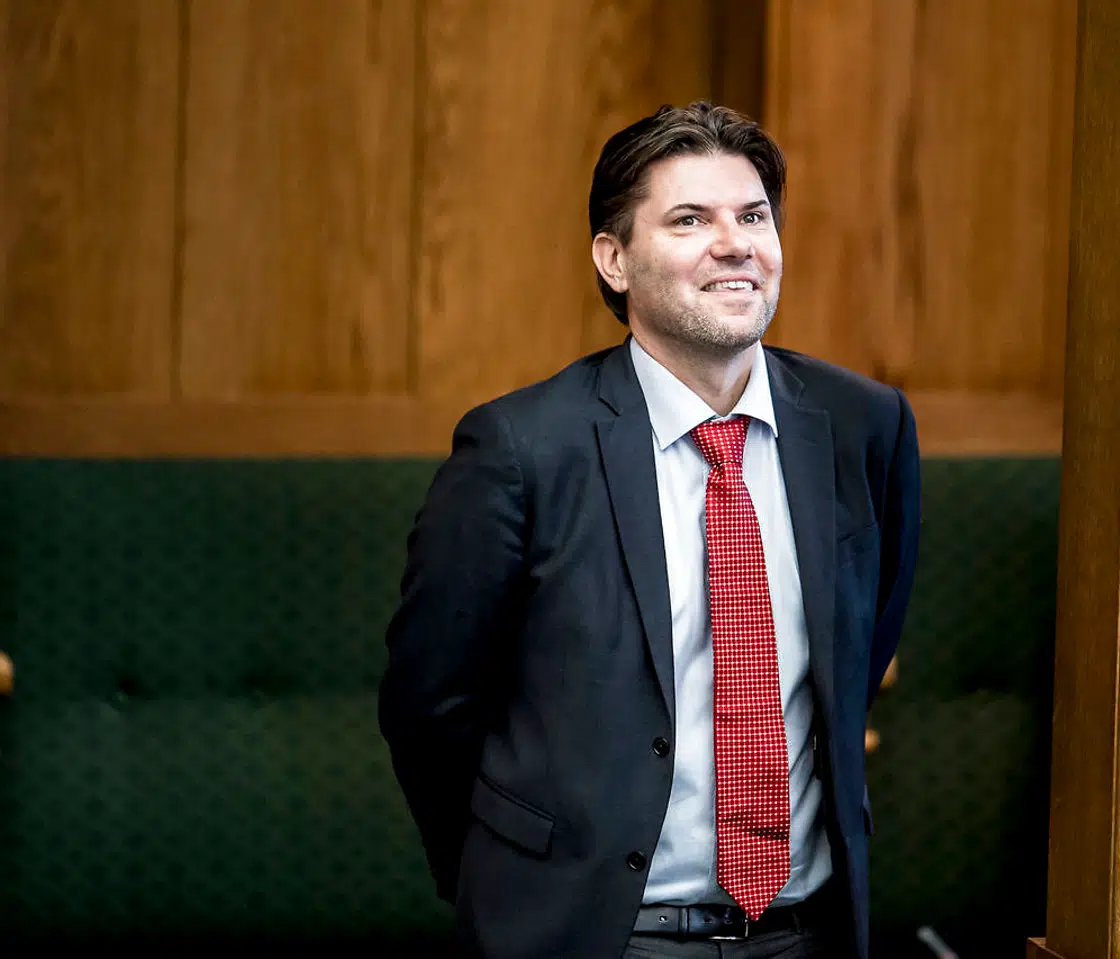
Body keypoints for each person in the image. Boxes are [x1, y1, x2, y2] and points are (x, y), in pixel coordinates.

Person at [379, 101, 920, 959]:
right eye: (689, 219)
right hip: (598, 936)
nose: (736, 242)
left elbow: (865, 641)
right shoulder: (521, 449)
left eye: (753, 215)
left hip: (805, 933)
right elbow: (429, 703)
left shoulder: (864, 425)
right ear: (615, 258)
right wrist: (512, 879)